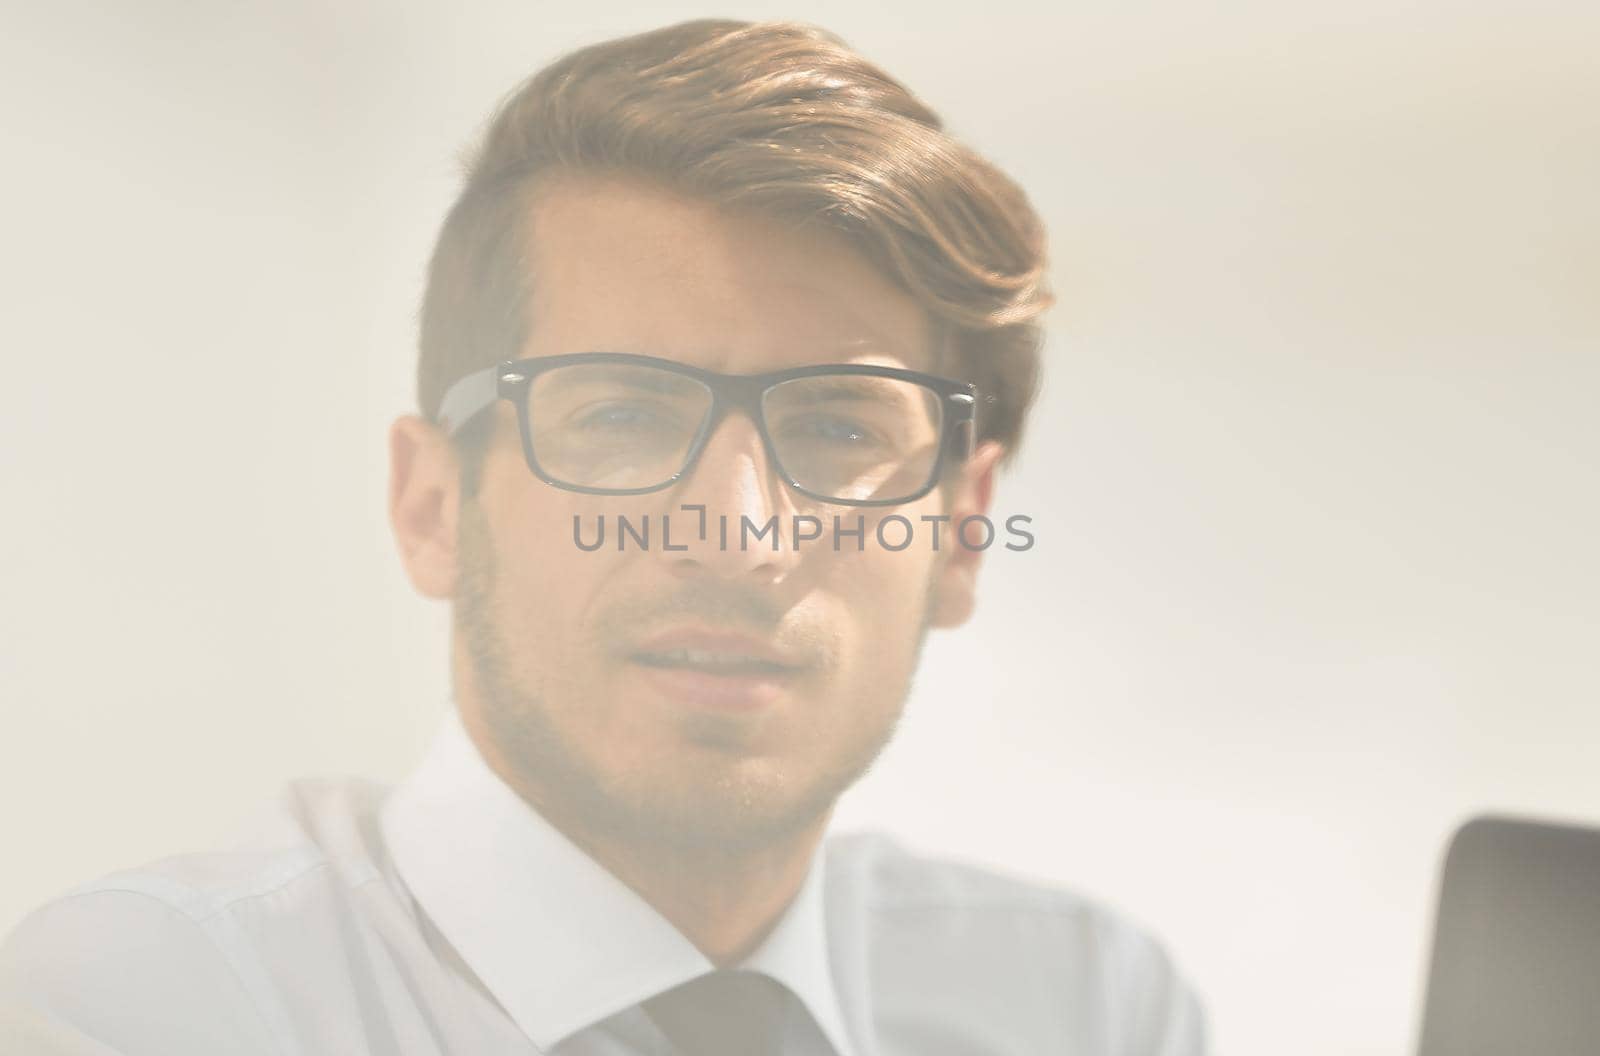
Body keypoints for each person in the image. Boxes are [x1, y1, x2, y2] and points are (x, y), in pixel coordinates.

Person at [0, 19, 1205, 1055]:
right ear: (433, 509)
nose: (738, 537)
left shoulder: (1087, 1008)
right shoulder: (148, 1009)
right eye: (623, 414)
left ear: (962, 533)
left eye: (839, 426)